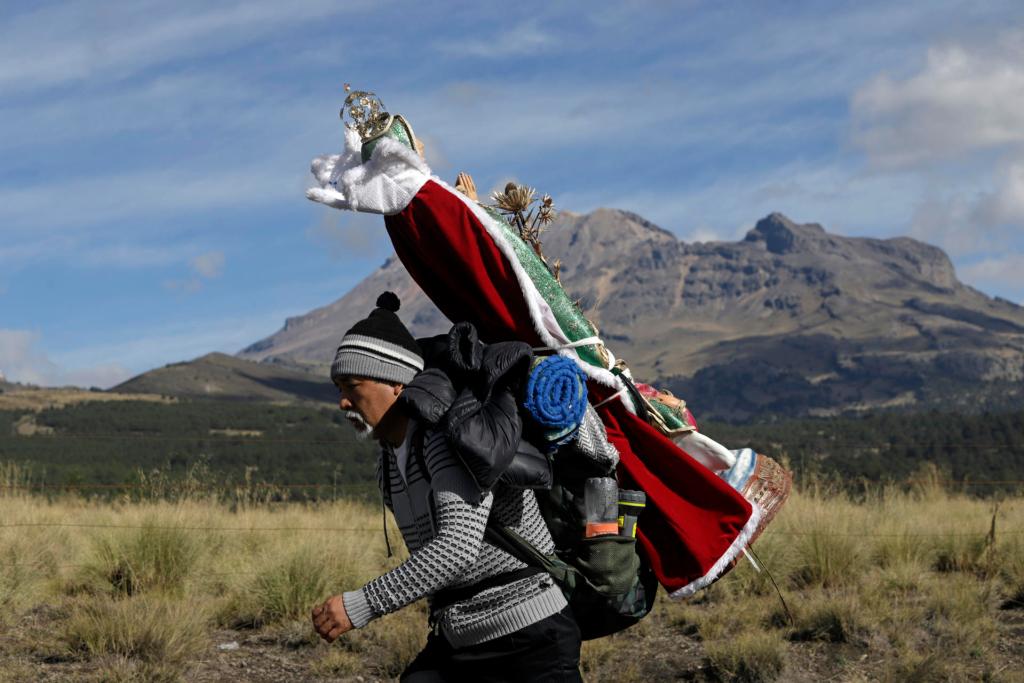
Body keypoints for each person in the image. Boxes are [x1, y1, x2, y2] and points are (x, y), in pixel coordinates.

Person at [311, 292, 583, 682]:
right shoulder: (389, 462)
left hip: (530, 638)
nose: (342, 402)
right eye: (338, 387)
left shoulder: (446, 438)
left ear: (397, 386)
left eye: (352, 385)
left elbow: (456, 549)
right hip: (460, 640)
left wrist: (359, 606)